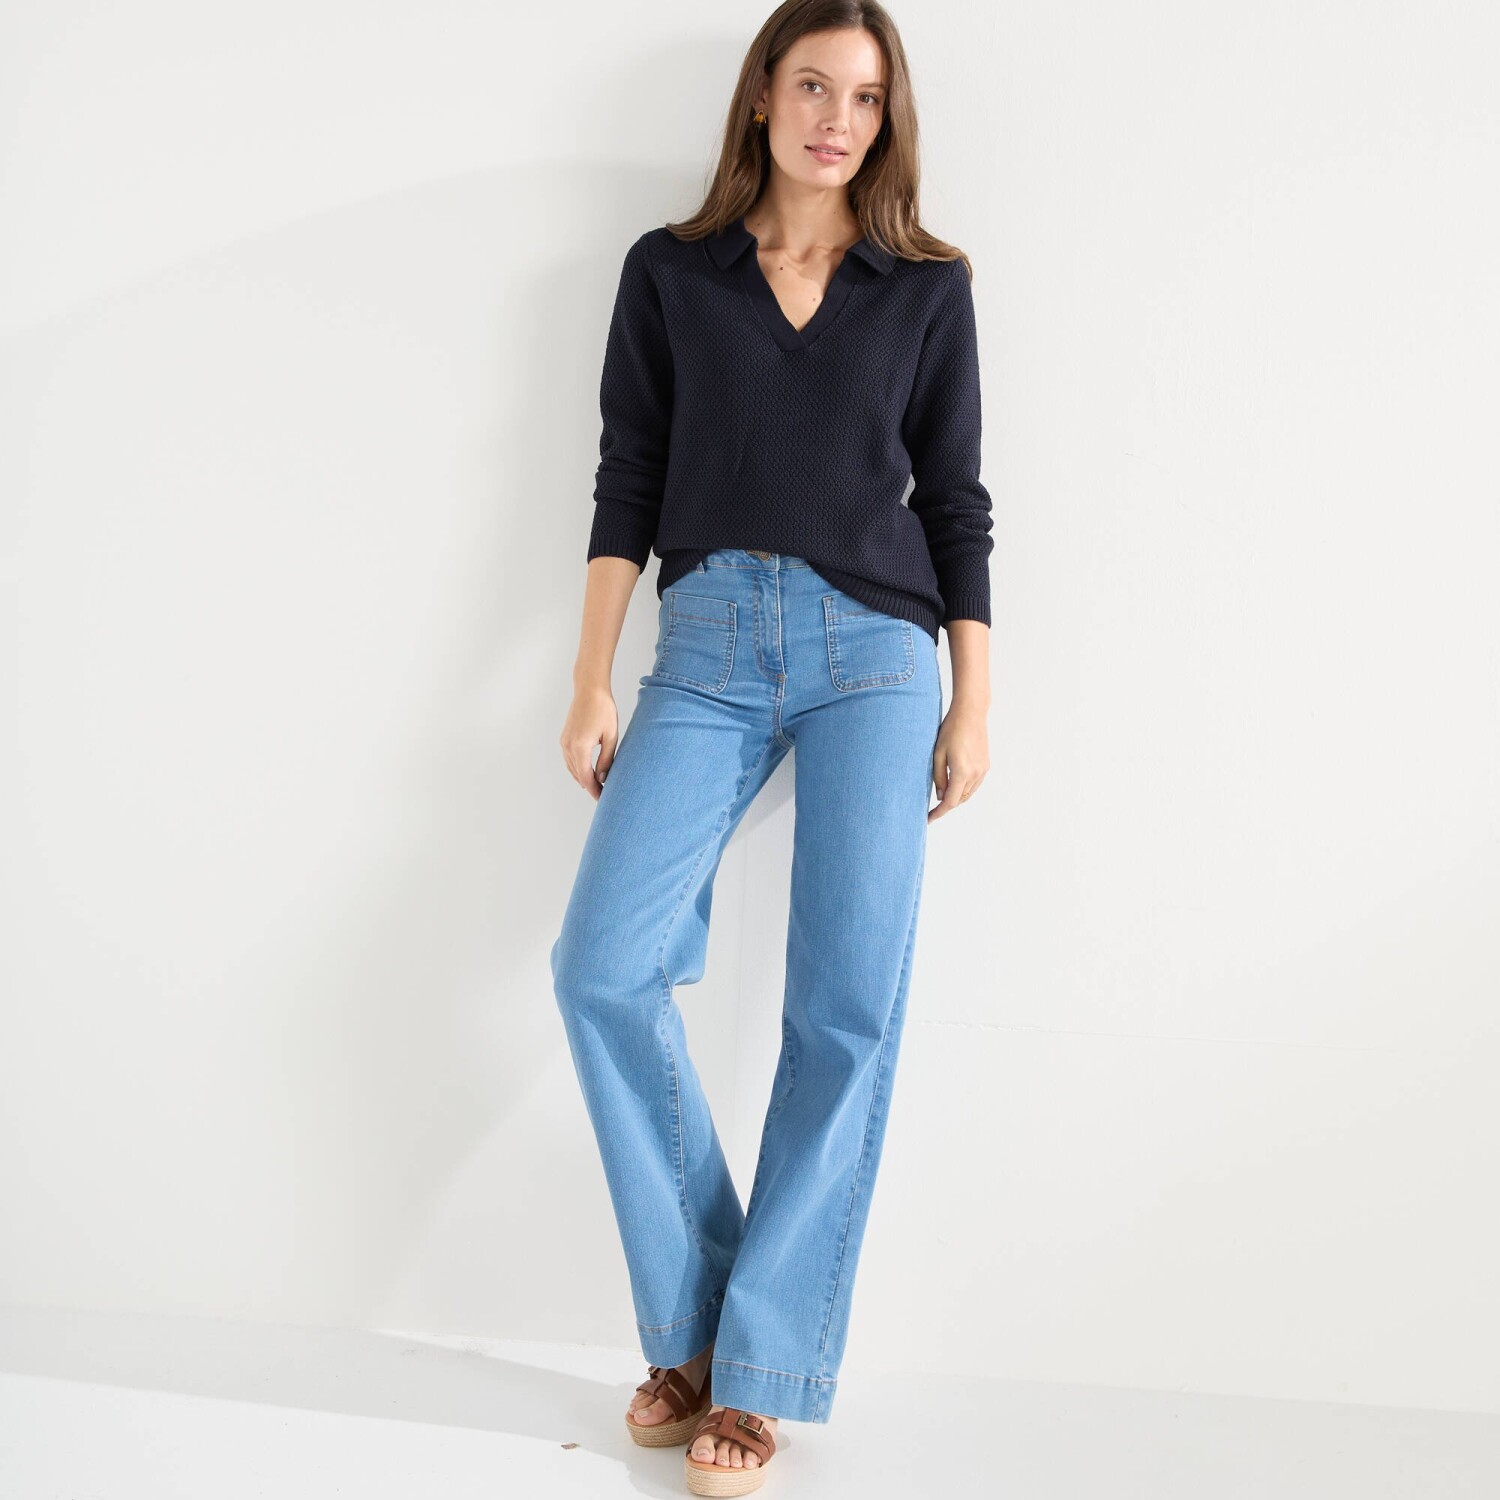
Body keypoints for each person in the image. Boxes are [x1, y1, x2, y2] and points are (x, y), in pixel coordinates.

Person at [550, 4, 992, 1492]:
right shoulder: (671, 273)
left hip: (880, 658)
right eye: (812, 86)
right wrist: (592, 677)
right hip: (711, 644)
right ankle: (703, 1324)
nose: (836, 119)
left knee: (844, 1009)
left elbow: (956, 502)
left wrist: (974, 700)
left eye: (864, 98)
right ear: (761, 98)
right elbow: (628, 474)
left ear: (886, 120)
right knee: (601, 968)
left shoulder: (926, 289)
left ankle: (759, 1376)